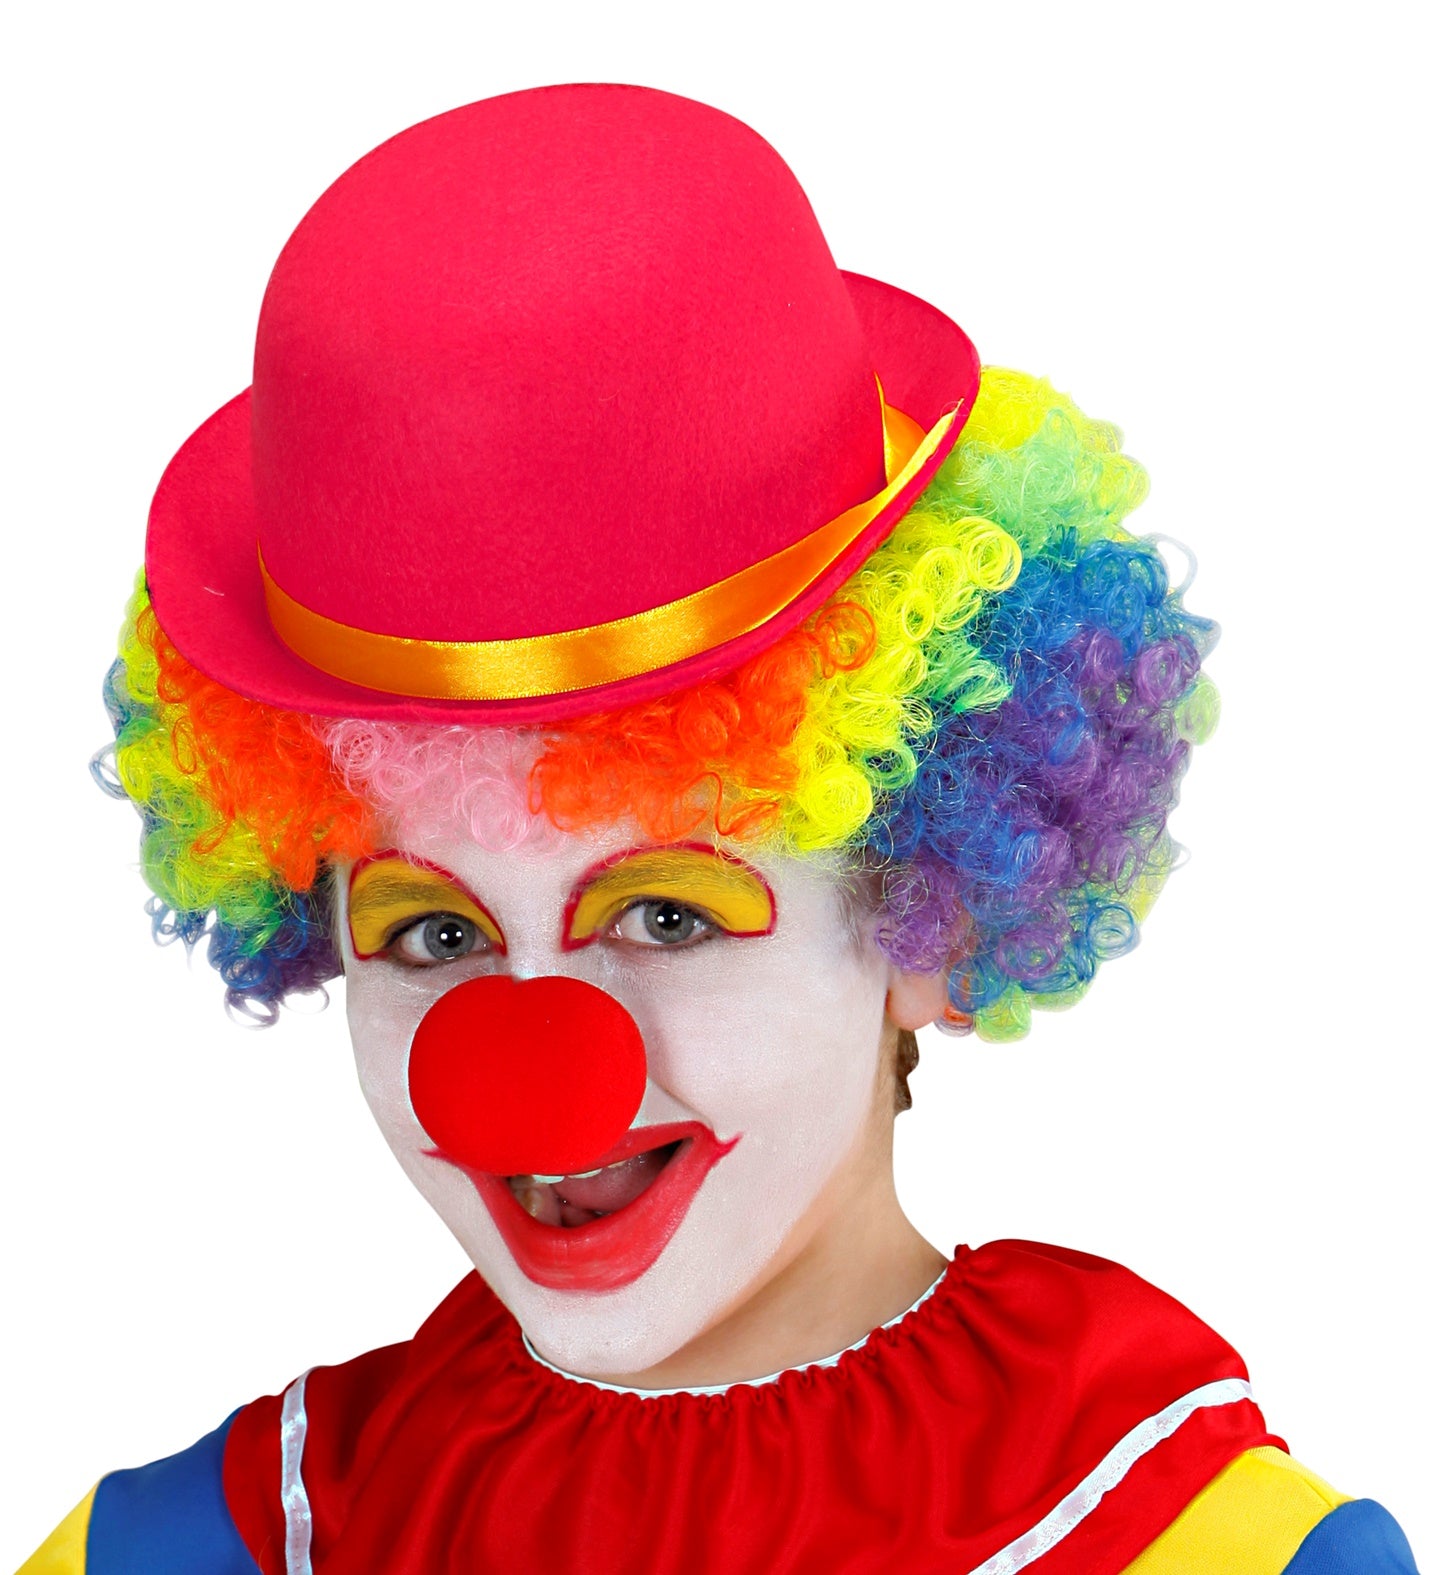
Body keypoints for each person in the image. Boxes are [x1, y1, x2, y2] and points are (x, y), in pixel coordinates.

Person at [20, 83, 1418, 1573]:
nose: (528, 1081)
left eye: (666, 915)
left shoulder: (1197, 1553)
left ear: (925, 917)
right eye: (431, 933)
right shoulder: (188, 1551)